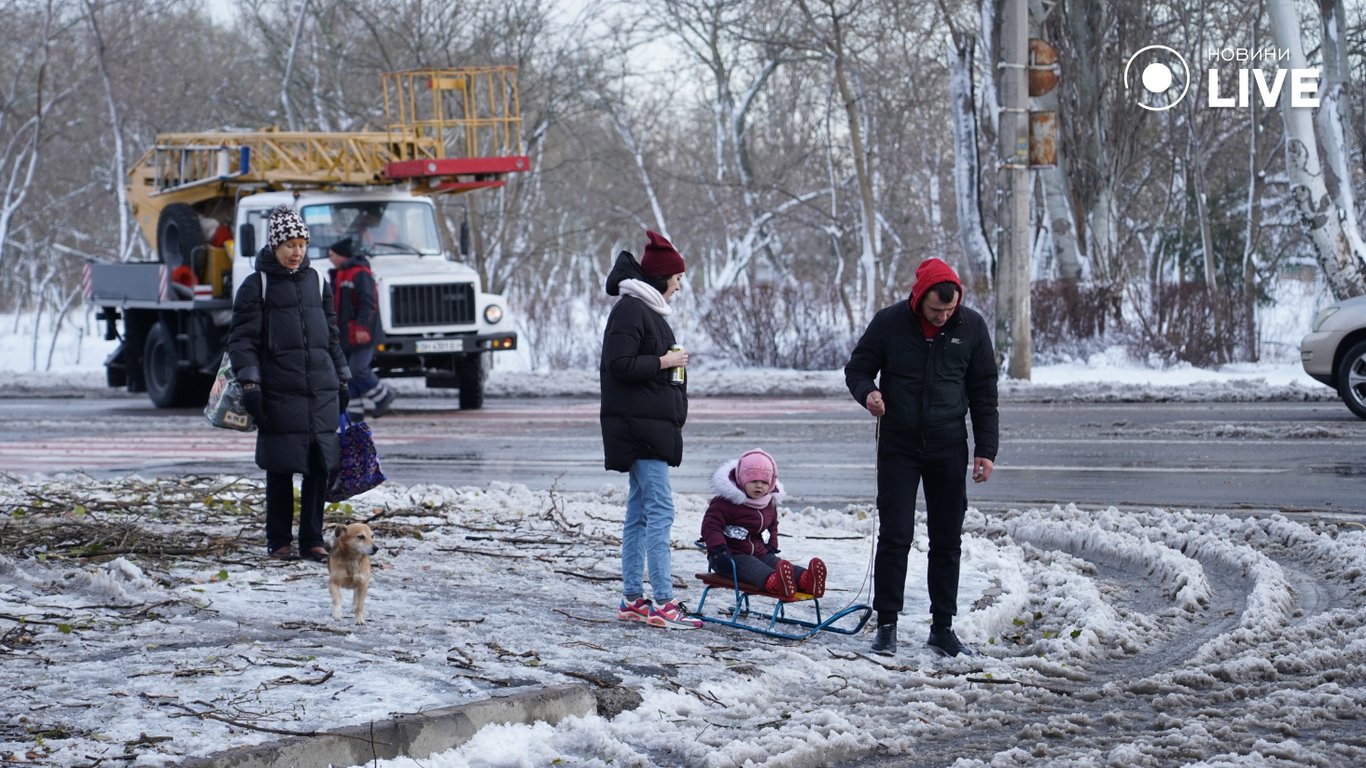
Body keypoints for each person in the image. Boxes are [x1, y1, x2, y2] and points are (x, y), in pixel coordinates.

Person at [844, 257, 999, 657]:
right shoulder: (890, 322)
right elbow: (858, 369)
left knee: (947, 541)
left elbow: (984, 392)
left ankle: (942, 628)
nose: (944, 316)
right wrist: (869, 394)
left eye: (950, 309)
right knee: (896, 536)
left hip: (949, 446)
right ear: (918, 299)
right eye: (936, 310)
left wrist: (986, 450)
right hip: (898, 444)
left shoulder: (972, 327)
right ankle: (887, 626)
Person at [228, 204, 351, 562]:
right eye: (289, 245)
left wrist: (342, 377)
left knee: (318, 467)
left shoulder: (317, 281)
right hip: (278, 390)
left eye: (301, 243)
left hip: (321, 389)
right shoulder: (256, 286)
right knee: (280, 467)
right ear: (274, 246)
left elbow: (331, 335)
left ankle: (312, 539)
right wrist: (251, 384)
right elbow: (241, 341)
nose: (296, 251)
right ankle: (279, 541)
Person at [600, 230, 700, 630]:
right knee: (661, 510)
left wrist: (668, 364)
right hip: (638, 429)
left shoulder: (650, 311)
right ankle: (662, 600)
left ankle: (631, 599)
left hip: (647, 427)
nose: (680, 283)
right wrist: (664, 361)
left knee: (640, 513)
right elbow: (619, 365)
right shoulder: (631, 310)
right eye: (676, 277)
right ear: (660, 278)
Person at [701, 449, 827, 598]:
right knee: (754, 567)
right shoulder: (725, 502)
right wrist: (719, 549)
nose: (759, 486)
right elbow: (711, 526)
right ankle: (775, 582)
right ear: (741, 479)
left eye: (764, 482)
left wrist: (772, 544)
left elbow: (773, 525)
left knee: (776, 563)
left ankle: (806, 580)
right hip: (729, 557)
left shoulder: (767, 502)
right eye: (754, 481)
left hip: (758, 552)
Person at [327, 238, 396, 418]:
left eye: (332, 255)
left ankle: (383, 395)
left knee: (358, 369)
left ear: (342, 255)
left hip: (363, 334)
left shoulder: (360, 274)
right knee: (346, 371)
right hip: (344, 334)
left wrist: (362, 327)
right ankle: (354, 411)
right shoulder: (340, 274)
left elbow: (368, 302)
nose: (330, 259)